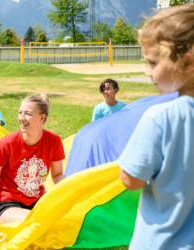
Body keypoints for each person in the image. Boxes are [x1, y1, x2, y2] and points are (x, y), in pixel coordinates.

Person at [117, 5, 194, 250]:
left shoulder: (161, 117)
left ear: (188, 62)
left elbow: (131, 179)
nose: (146, 71)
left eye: (152, 62)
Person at [0, 94, 65, 224]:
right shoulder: (7, 144)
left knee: (61, 219)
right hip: (8, 204)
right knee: (34, 222)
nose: (21, 118)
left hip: (37, 201)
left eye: (27, 114)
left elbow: (58, 174)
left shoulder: (54, 141)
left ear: (42, 118)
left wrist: (71, 192)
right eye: (20, 113)